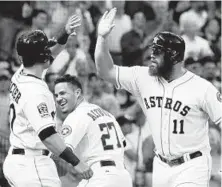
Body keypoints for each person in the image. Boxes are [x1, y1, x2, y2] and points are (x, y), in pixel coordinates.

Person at [94, 8, 222, 187]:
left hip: (193, 165)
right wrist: (102, 39)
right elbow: (105, 70)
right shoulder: (143, 77)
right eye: (153, 51)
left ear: (174, 57)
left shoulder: (201, 88)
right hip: (160, 165)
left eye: (158, 52)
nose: (152, 56)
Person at [3, 14, 93, 187]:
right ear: (43, 59)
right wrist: (76, 162)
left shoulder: (21, 72)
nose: (50, 53)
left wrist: (64, 33)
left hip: (19, 161)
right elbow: (48, 136)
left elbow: (48, 53)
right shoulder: (36, 93)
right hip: (32, 164)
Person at [54, 74, 132, 187]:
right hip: (123, 176)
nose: (58, 99)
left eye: (63, 93)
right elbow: (122, 144)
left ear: (77, 93)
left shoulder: (77, 115)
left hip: (99, 176)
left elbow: (60, 151)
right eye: (56, 95)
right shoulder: (107, 114)